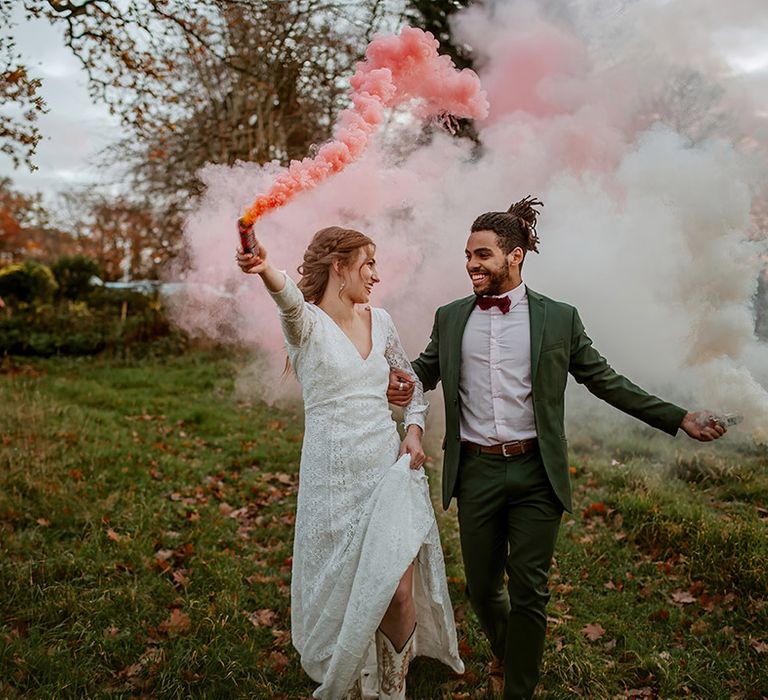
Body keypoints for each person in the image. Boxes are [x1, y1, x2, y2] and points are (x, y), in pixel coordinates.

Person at [386, 197, 725, 699]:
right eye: (467, 255)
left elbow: (606, 381)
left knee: (530, 592)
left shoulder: (560, 318)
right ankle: (509, 649)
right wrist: (396, 384)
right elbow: (423, 373)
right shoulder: (451, 317)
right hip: (475, 470)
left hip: (536, 474)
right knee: (482, 589)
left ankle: (518, 688)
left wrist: (678, 417)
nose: (471, 265)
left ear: (515, 256)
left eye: (482, 255)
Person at [236, 225, 463, 700]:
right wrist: (264, 268)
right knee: (345, 585)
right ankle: (353, 668)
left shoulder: (381, 321)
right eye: (368, 263)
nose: (376, 275)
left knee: (397, 590)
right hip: (332, 477)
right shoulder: (308, 326)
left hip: (386, 468)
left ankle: (394, 688)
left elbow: (412, 384)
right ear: (339, 266)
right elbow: (289, 301)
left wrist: (413, 431)